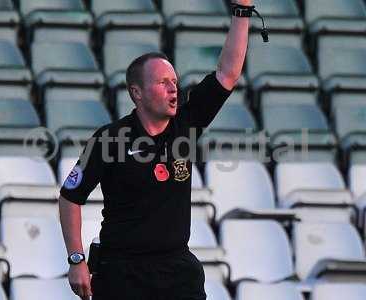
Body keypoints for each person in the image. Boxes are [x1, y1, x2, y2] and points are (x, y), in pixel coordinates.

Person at [59, 0, 261, 299]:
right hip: (122, 273)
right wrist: (76, 259)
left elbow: (227, 74)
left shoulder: (187, 125)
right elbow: (70, 197)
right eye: (163, 82)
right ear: (136, 92)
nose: (173, 88)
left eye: (175, 82)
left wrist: (242, 10)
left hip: (176, 270)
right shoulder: (110, 139)